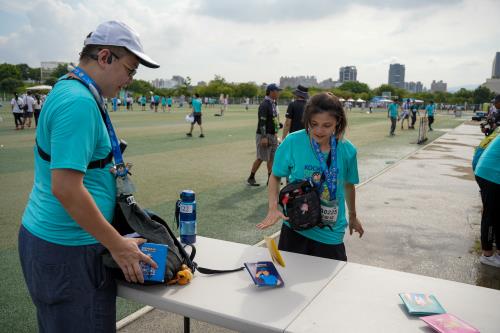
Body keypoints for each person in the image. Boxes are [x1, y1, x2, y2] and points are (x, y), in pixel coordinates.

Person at [18, 20, 159, 332]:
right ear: (105, 57)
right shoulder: (79, 102)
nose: (130, 80)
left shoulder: (71, 88)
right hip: (70, 248)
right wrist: (118, 244)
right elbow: (66, 189)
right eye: (130, 69)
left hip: (60, 241)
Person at [257, 92, 364, 260]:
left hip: (330, 233)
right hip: (295, 228)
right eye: (313, 124)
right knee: (288, 279)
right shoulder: (293, 142)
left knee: (329, 285)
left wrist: (353, 216)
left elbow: (348, 185)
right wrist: (272, 207)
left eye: (326, 125)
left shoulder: (347, 150)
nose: (319, 131)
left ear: (338, 122)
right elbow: (275, 175)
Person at [247, 83, 282, 186]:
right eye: (277, 91)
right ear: (271, 92)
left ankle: (270, 179)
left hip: (273, 135)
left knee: (272, 158)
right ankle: (251, 177)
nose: (279, 93)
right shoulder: (264, 105)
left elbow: (273, 118)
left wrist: (277, 125)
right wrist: (263, 137)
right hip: (265, 135)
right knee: (261, 158)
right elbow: (262, 122)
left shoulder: (273, 103)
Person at [475, 134, 500, 268]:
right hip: (490, 175)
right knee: (490, 215)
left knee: (497, 214)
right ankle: (488, 256)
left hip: (491, 172)